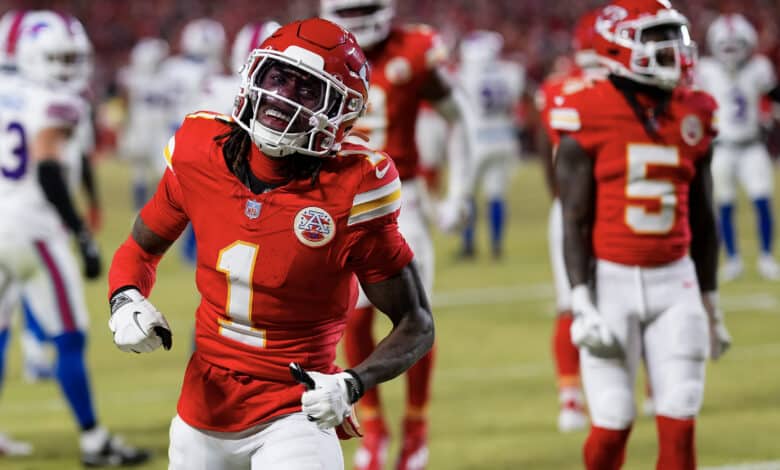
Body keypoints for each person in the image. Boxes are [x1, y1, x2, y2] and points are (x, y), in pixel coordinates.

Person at [106, 18, 434, 470]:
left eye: (306, 90)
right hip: (202, 411)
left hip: (295, 413)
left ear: (341, 110)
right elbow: (140, 249)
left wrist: (352, 384)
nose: (283, 98)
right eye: (278, 78)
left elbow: (416, 322)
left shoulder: (354, 188)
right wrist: (124, 299)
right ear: (253, 75)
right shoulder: (200, 150)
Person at [551, 1, 732, 468]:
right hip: (611, 282)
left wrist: (711, 303)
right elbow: (573, 218)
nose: (675, 49)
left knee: (680, 421)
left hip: (677, 282)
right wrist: (581, 299)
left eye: (676, 35)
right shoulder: (586, 109)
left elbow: (704, 215)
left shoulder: (697, 110)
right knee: (612, 424)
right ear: (619, 43)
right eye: (658, 37)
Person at [320, 1, 475, 468]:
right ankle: (374, 426)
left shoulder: (415, 48)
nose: (360, 15)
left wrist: (458, 194)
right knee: (351, 319)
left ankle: (415, 425)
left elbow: (459, 117)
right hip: (337, 199)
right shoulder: (319, 52)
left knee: (413, 315)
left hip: (398, 198)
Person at [0, 10, 150, 466]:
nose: (66, 68)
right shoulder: (57, 101)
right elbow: (47, 166)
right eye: (57, 57)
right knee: (69, 337)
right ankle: (93, 441)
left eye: (71, 57)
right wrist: (82, 233)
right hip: (36, 231)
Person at [535, 8, 606, 433]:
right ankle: (647, 392)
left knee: (572, 303)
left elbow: (547, 150)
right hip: (611, 205)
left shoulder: (556, 88)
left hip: (569, 207)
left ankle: (571, 400)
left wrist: (560, 199)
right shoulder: (619, 89)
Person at [696, 13, 780, 281]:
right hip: (721, 146)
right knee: (724, 205)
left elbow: (774, 95)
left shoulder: (759, 67)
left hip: (752, 144)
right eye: (726, 47)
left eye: (736, 46)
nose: (731, 53)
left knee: (762, 199)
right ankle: (733, 259)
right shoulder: (706, 70)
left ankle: (766, 256)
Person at [454, 29, 524, 260]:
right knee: (496, 195)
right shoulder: (510, 72)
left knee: (467, 194)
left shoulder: (464, 75)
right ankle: (495, 246)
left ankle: (468, 246)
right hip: (503, 138)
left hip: (476, 141)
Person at [116, 37, 172, 210]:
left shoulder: (166, 77)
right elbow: (125, 105)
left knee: (163, 170)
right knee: (140, 171)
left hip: (155, 128)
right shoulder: (132, 77)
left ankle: (159, 206)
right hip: (141, 128)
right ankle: (140, 207)